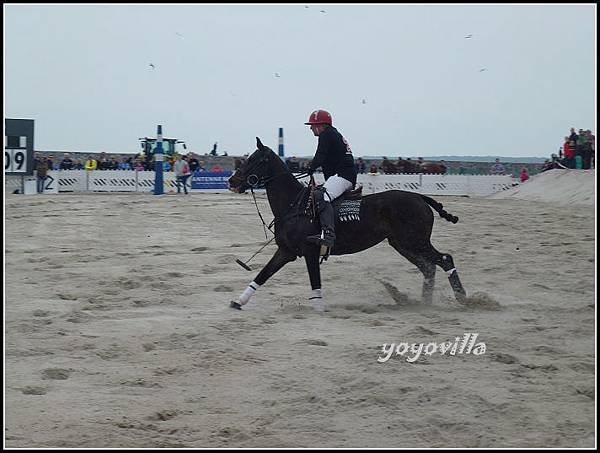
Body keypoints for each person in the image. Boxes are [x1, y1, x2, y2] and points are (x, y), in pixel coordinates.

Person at [304, 109, 357, 248]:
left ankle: (328, 234)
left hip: (342, 175)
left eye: (312, 125)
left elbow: (320, 155)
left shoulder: (326, 135)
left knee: (320, 196)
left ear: (321, 125)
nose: (310, 128)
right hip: (343, 174)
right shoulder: (333, 133)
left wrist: (310, 167)